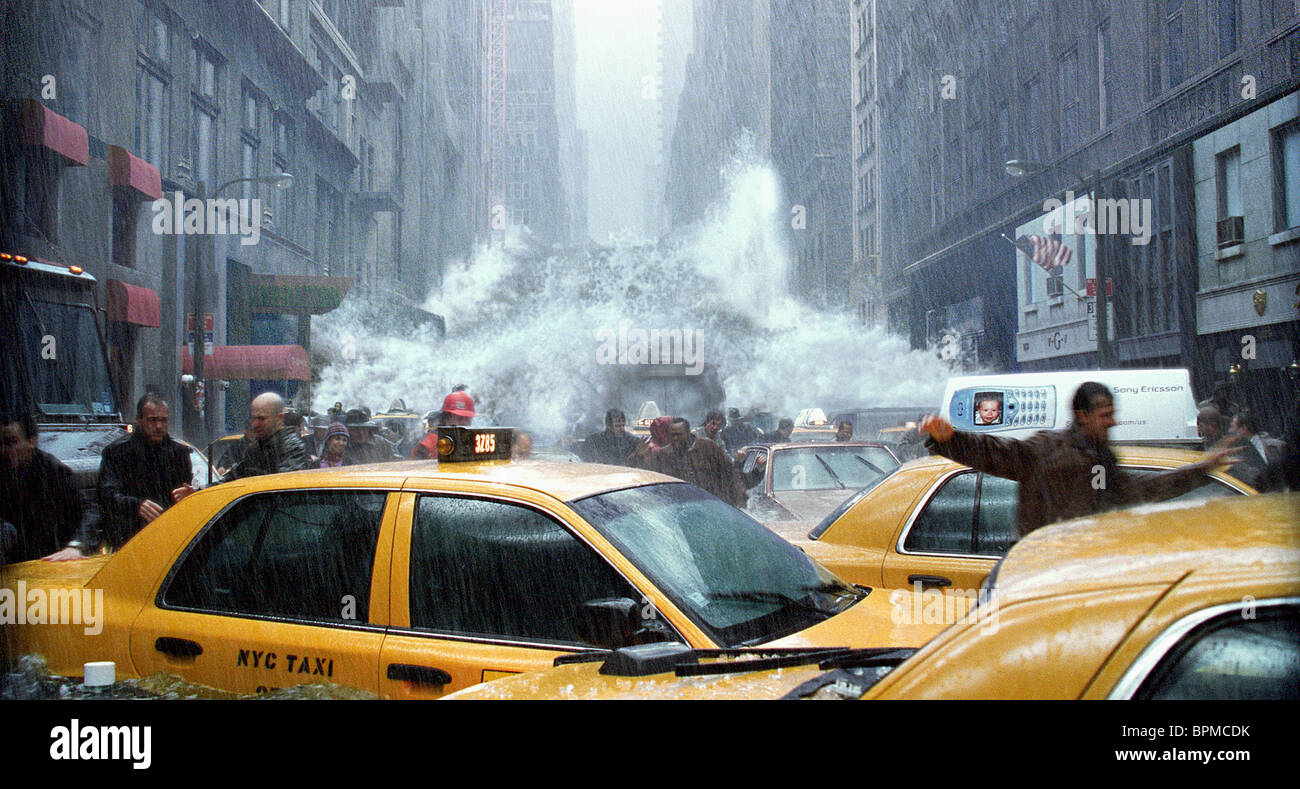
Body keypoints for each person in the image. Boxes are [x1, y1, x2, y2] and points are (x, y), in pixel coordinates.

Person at [919, 381, 1241, 539]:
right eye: (1105, 415)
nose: (1112, 422)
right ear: (1082, 415)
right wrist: (950, 439)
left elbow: (1145, 489)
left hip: (1083, 567)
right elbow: (1000, 453)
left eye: (1113, 414)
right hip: (1045, 569)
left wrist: (1204, 468)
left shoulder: (1103, 460)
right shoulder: (1049, 449)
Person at [89, 394, 194, 552]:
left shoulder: (180, 453)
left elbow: (184, 494)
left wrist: (190, 495)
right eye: (152, 420)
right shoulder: (117, 452)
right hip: (128, 538)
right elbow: (106, 495)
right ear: (139, 420)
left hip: (168, 537)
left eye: (163, 420)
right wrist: (135, 505)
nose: (159, 426)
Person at [0, 412, 98, 563]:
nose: (4, 451)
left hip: (46, 561)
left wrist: (76, 545)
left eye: (11, 442)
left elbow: (90, 511)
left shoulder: (52, 471)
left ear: (31, 442)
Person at [635, 418, 746, 507]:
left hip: (711, 505)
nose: (675, 438)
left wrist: (738, 498)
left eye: (679, 434)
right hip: (681, 508)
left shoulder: (708, 447)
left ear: (688, 433)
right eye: (672, 435)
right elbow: (645, 477)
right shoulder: (662, 455)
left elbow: (729, 472)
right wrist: (638, 456)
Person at [222, 392, 312, 481]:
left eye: (261, 419)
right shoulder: (256, 448)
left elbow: (281, 486)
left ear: (279, 418)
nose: (255, 424)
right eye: (253, 418)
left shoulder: (293, 449)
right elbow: (234, 476)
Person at [1229, 410, 1284, 489]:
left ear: (1244, 428)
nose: (1230, 431)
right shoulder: (1236, 452)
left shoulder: (1277, 446)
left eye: (1232, 426)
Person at [412, 392, 477, 459]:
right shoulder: (430, 443)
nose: (464, 423)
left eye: (467, 419)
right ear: (446, 418)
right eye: (459, 418)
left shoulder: (473, 442)